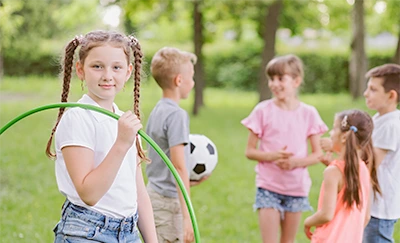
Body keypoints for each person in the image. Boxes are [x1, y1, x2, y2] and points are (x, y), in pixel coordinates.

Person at [45, 30, 157, 242]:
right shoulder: (77, 119)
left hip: (128, 232)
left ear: (128, 72)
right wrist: (122, 143)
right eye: (97, 66)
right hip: (87, 232)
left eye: (116, 67)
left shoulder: (124, 122)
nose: (107, 75)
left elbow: (139, 192)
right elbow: (89, 194)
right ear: (80, 69)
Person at [241, 54, 328, 242]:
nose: (274, 84)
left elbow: (318, 154)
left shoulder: (309, 113)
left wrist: (296, 162)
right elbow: (249, 151)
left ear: (296, 81)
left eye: (281, 78)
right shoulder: (262, 111)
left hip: (296, 188)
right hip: (268, 186)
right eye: (271, 79)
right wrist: (273, 156)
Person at [145, 47, 206, 243]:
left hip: (153, 194)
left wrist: (190, 181)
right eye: (192, 77)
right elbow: (179, 166)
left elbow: (162, 158)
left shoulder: (158, 110)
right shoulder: (177, 115)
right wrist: (187, 218)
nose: (193, 82)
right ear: (179, 80)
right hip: (169, 204)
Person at [304, 109, 381, 242]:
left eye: (334, 129)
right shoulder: (363, 169)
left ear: (344, 137)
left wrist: (308, 222)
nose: (331, 133)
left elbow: (326, 215)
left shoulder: (333, 172)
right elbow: (366, 216)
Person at [362, 64, 400, 243]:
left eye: (373, 89)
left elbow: (369, 163)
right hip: (373, 205)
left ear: (391, 95)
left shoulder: (391, 124)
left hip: (380, 208)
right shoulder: (379, 119)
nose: (365, 93)